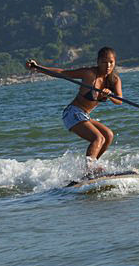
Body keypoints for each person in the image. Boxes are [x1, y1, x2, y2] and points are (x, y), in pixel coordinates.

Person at [26, 47, 122, 176]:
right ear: (98, 62)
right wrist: (38, 68)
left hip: (84, 115)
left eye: (111, 62)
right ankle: (90, 170)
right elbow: (62, 72)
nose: (108, 65)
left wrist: (110, 96)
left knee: (108, 135)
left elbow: (119, 100)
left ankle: (91, 167)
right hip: (72, 113)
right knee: (98, 138)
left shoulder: (114, 80)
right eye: (104, 62)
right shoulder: (89, 74)